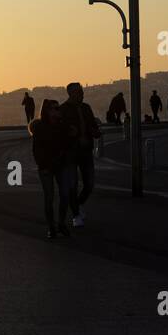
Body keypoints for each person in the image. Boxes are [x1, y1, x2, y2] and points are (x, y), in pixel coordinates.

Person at [59, 82, 100, 228]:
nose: (82, 94)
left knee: (89, 184)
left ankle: (78, 204)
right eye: (79, 92)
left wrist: (95, 131)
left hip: (86, 150)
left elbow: (93, 126)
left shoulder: (86, 108)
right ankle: (76, 214)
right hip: (71, 152)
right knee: (72, 185)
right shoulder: (63, 110)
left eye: (82, 92)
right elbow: (60, 131)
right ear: (70, 93)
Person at [30, 98, 73, 238]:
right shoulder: (40, 128)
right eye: (54, 108)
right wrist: (43, 165)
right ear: (47, 111)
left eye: (58, 108)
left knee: (65, 195)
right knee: (49, 198)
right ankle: (51, 227)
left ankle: (61, 223)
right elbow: (36, 150)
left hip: (62, 164)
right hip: (46, 167)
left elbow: (68, 144)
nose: (57, 110)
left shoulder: (62, 126)